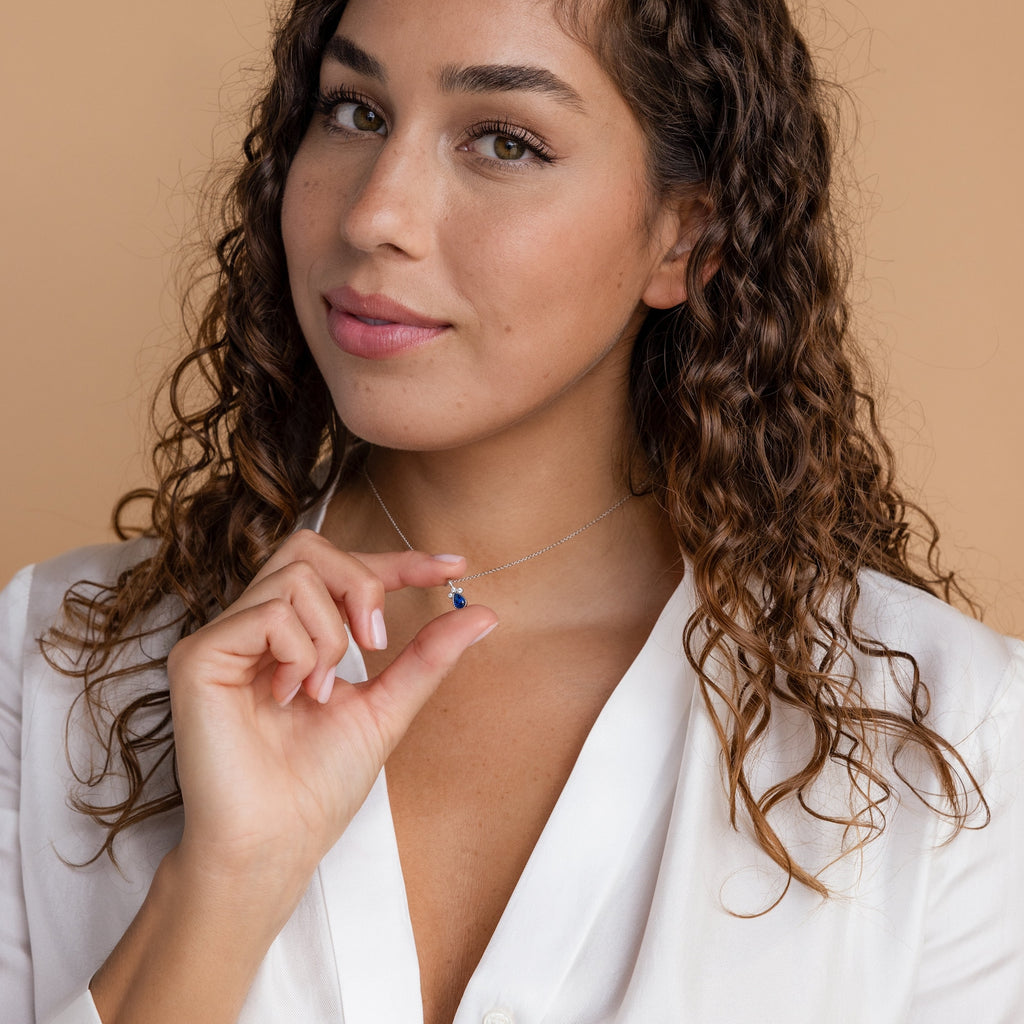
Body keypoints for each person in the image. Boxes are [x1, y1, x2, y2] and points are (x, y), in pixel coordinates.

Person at [2, 0, 1021, 1021]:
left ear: (684, 236)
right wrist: (222, 887)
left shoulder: (949, 736)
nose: (373, 216)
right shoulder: (57, 659)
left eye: (504, 142)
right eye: (353, 111)